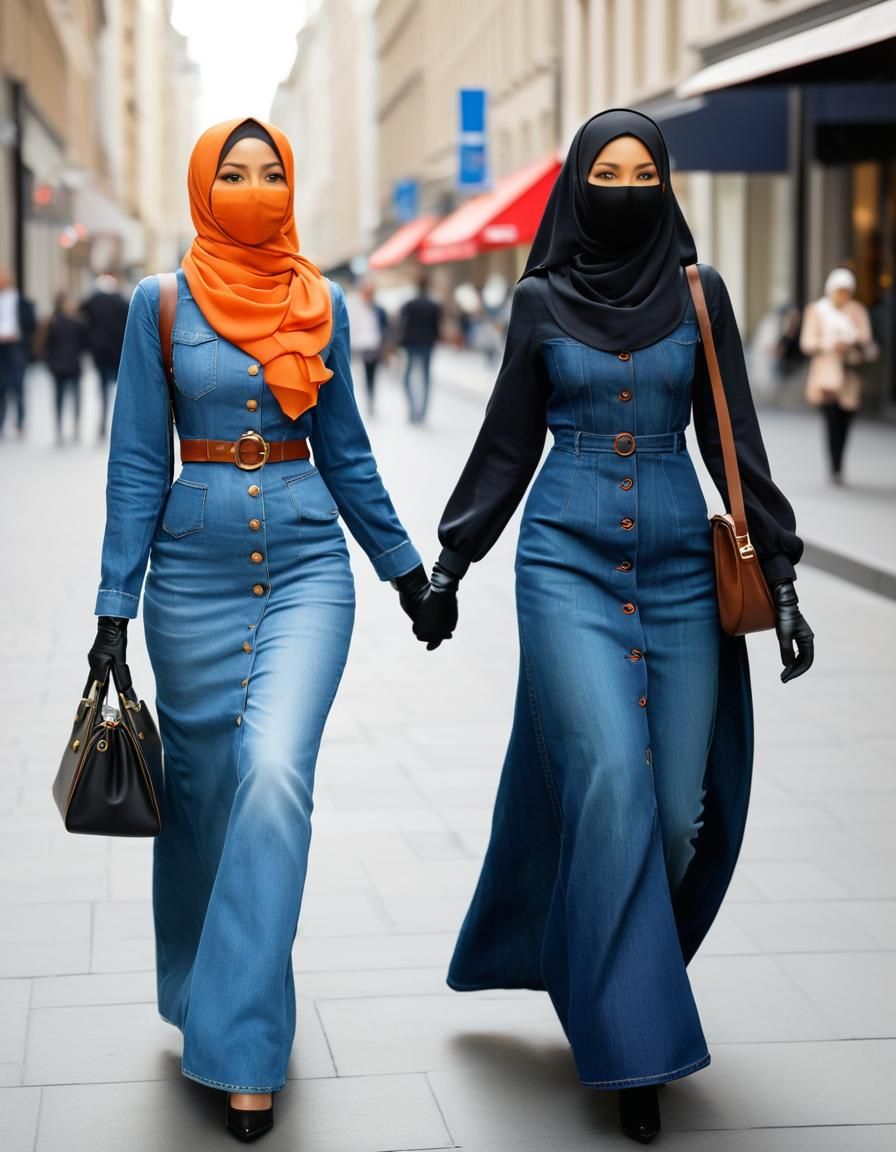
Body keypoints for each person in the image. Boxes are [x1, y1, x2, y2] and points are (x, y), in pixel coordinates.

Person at [415, 110, 815, 1145]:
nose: (628, 186)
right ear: (577, 184)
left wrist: (781, 577)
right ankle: (632, 1043)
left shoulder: (699, 292)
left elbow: (739, 441)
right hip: (563, 559)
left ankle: (596, 959)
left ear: (666, 184)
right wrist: (451, 562)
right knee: (605, 777)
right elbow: (506, 440)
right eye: (608, 170)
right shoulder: (539, 299)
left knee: (675, 814)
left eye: (645, 171)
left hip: (685, 560)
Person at [87, 117, 446, 1143]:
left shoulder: (319, 301)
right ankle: (201, 985)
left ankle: (243, 1046)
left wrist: (406, 573)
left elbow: (348, 452)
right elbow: (133, 466)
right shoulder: (159, 306)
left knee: (275, 772)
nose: (254, 186)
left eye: (271, 170)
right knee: (202, 795)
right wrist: (114, 606)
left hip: (303, 566)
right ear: (204, 186)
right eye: (233, 172)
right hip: (188, 577)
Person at [800, 267, 877, 484]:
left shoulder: (857, 311)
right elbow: (807, 343)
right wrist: (828, 343)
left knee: (846, 420)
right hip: (826, 375)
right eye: (838, 290)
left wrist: (851, 340)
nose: (842, 295)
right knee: (832, 420)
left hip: (849, 373)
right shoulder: (817, 310)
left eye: (846, 290)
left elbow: (866, 338)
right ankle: (835, 467)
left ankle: (839, 461)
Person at [81, 272, 130, 440]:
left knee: (102, 389)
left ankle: (101, 426)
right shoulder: (121, 301)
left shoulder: (93, 301)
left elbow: (83, 315)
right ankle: (120, 426)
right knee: (121, 391)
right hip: (117, 351)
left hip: (99, 351)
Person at [45, 290, 87, 444]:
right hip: (64, 365)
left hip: (67, 365)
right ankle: (63, 428)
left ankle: (72, 427)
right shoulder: (63, 322)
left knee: (68, 398)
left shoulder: (73, 323)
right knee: (63, 398)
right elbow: (48, 344)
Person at [399, 272, 441, 423]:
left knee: (406, 378)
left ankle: (413, 410)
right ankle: (422, 413)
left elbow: (402, 326)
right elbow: (437, 329)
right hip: (427, 344)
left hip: (411, 344)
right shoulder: (434, 305)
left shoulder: (409, 304)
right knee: (426, 378)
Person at [0, 267, 35, 438]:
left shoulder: (20, 300)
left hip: (15, 347)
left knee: (18, 385)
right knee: (1, 387)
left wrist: (20, 337)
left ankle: (20, 421)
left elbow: (30, 323)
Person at [346, 278, 388, 415]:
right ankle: (356, 402)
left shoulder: (378, 309)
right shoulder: (355, 307)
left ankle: (370, 400)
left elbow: (383, 327)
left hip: (372, 346)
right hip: (358, 346)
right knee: (356, 375)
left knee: (371, 376)